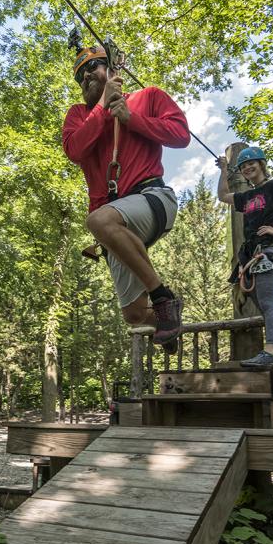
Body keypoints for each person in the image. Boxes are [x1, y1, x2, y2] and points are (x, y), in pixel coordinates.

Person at [62, 45, 190, 346]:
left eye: (93, 68)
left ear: (112, 70)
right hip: (111, 218)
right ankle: (167, 313)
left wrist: (133, 119)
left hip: (152, 197)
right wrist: (104, 107)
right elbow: (75, 149)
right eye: (81, 75)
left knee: (98, 221)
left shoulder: (148, 97)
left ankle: (161, 296)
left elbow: (181, 136)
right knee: (133, 314)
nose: (86, 77)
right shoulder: (79, 115)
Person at [216, 146, 273, 368]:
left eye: (251, 163)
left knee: (268, 303)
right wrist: (224, 170)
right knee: (262, 303)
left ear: (262, 164)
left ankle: (272, 352)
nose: (248, 167)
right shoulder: (246, 196)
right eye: (243, 166)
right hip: (251, 256)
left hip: (268, 251)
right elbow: (223, 196)